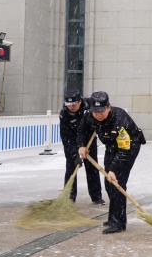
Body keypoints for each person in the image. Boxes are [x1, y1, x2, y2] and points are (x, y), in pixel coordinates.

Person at [77, 91, 146, 234]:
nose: (98, 115)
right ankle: (114, 216)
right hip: (112, 146)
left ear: (108, 107)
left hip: (129, 146)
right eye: (95, 112)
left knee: (117, 182)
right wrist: (82, 145)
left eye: (101, 111)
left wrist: (114, 169)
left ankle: (119, 223)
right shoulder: (89, 116)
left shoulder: (119, 120)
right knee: (109, 183)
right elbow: (82, 130)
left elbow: (124, 151)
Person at [59, 89, 104, 205]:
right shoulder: (64, 114)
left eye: (74, 104)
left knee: (92, 168)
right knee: (71, 168)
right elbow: (66, 137)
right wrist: (74, 155)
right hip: (72, 140)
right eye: (68, 104)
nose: (71, 107)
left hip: (88, 139)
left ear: (79, 101)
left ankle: (96, 197)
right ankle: (69, 198)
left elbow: (103, 107)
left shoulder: (89, 105)